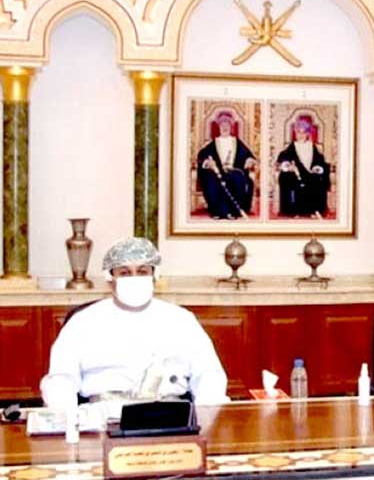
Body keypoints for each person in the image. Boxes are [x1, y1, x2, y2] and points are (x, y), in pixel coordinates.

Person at [40, 237, 230, 408]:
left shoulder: (181, 320)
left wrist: (208, 411)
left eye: (142, 271)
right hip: (103, 415)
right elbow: (61, 378)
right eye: (124, 272)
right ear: (110, 278)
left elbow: (208, 373)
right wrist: (65, 414)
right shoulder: (83, 322)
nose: (134, 278)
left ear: (155, 276)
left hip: (169, 415)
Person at [196, 111, 256, 219]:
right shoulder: (213, 143)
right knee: (211, 180)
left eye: (227, 124)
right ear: (219, 127)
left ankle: (233, 212)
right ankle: (218, 212)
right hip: (218, 172)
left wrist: (249, 160)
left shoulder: (236, 142)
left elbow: (248, 155)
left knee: (237, 178)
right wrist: (207, 163)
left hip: (234, 171)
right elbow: (202, 156)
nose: (225, 127)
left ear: (231, 127)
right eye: (222, 125)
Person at [276, 119, 330, 217]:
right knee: (288, 178)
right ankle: (293, 211)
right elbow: (283, 159)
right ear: (295, 133)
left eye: (303, 132)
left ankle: (314, 210)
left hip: (310, 175)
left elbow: (319, 161)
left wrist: (317, 168)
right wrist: (288, 166)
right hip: (295, 175)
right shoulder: (291, 147)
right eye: (298, 132)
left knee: (317, 180)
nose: (300, 135)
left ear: (307, 134)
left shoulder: (312, 147)